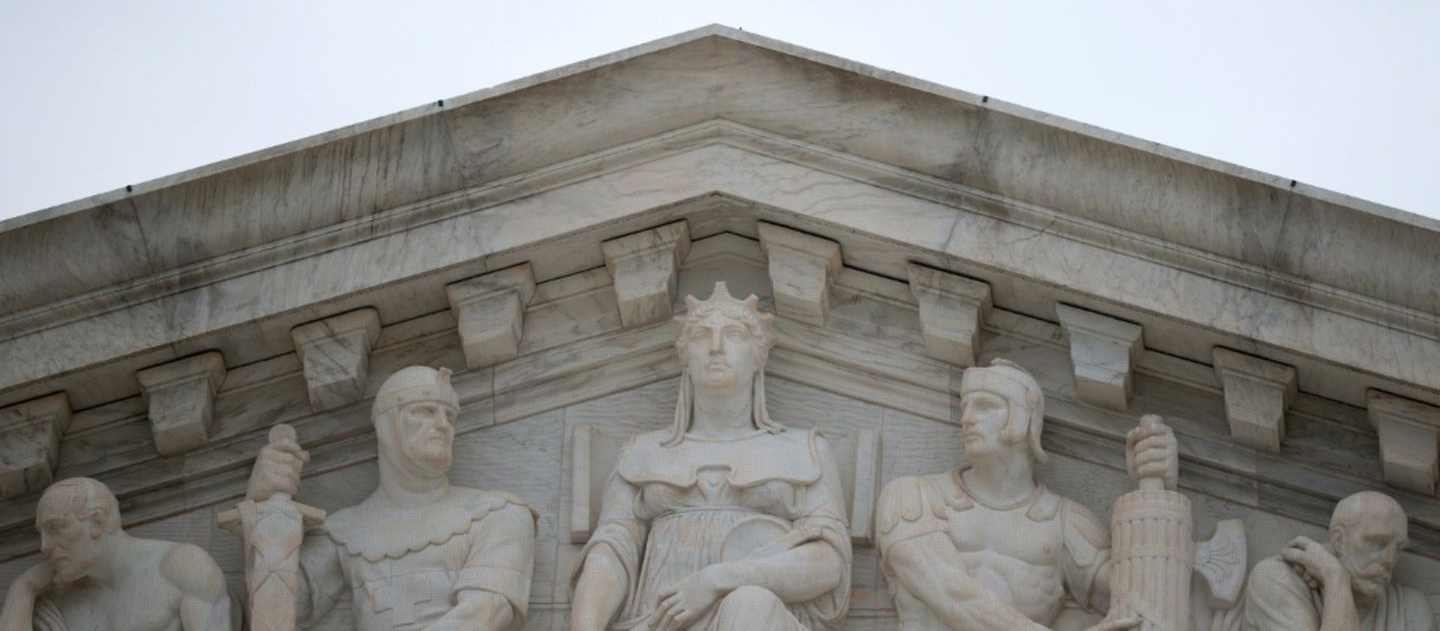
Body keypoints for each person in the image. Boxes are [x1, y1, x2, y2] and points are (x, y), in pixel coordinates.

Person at [570, 282, 851, 631]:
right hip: (657, 622)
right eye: (702, 336)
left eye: (733, 334)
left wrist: (716, 580)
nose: (716, 347)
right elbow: (611, 552)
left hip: (761, 620)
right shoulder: (641, 452)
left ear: (759, 355)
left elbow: (828, 564)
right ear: (685, 357)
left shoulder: (804, 449)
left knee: (750, 602)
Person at [876, 359, 1176, 631]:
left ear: (1024, 419)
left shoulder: (1064, 522)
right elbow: (947, 590)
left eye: (984, 405)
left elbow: (1142, 606)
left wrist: (1159, 490)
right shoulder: (912, 497)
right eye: (964, 405)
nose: (966, 418)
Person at [246, 365, 537, 631]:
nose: (443, 425)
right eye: (424, 410)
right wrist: (263, 505)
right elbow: (280, 612)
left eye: (450, 415)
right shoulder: (345, 530)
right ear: (386, 426)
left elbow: (484, 614)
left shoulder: (497, 514)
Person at [0, 477, 232, 631]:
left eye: (56, 528)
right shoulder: (58, 603)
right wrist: (24, 587)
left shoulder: (182, 566)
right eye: (41, 533)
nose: (44, 546)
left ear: (97, 522)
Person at [1242, 491, 1432, 631]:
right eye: (1378, 543)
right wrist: (1336, 578)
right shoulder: (1276, 578)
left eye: (1398, 548)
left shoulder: (1409, 609)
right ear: (1339, 541)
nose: (1390, 560)